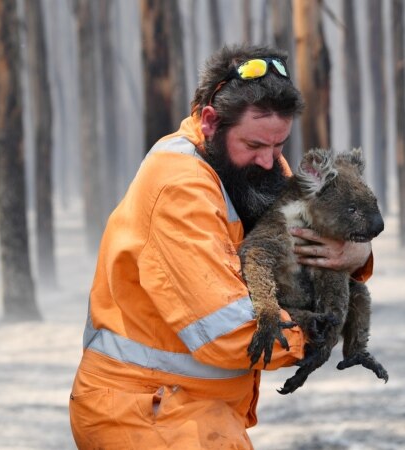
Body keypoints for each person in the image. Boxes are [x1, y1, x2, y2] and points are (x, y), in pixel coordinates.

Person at [69, 44, 374, 449]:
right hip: (146, 413)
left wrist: (359, 255)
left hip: (193, 408)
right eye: (255, 146)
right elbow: (228, 332)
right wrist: (318, 331)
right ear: (211, 121)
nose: (271, 161)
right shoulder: (180, 188)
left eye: (279, 145)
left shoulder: (251, 169)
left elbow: (310, 238)